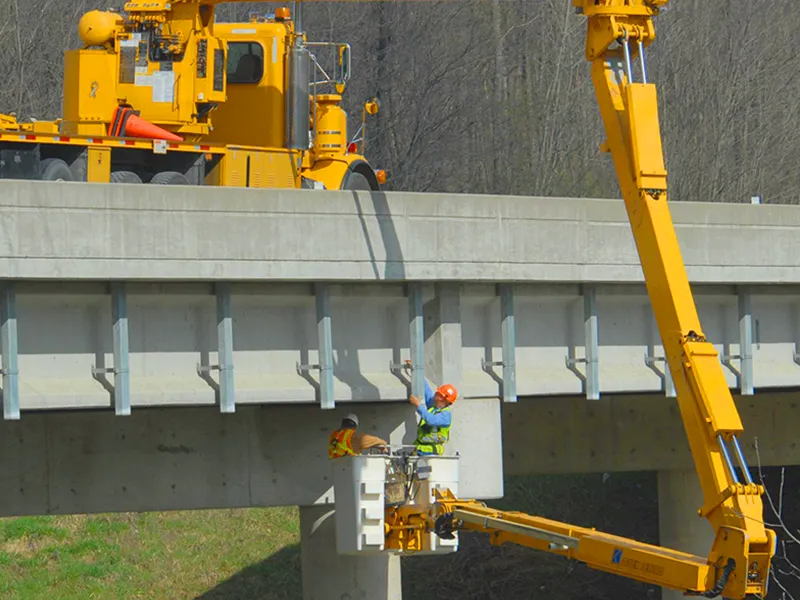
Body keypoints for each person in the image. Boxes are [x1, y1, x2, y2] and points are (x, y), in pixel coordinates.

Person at [409, 380, 458, 455]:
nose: (435, 393)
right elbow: (426, 390)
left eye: (438, 393)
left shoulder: (445, 415)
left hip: (432, 453)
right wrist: (416, 371)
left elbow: (431, 420)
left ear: (441, 398)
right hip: (420, 450)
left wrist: (418, 405)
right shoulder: (434, 406)